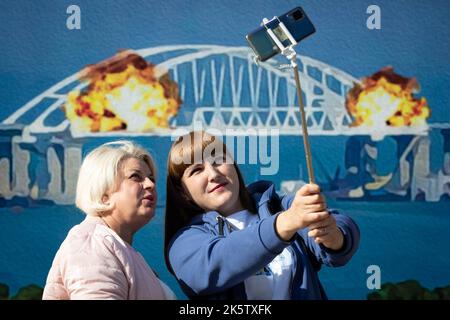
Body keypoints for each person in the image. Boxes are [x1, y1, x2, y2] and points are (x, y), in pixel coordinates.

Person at [164, 131, 360, 300]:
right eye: (197, 170)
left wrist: (334, 235)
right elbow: (208, 268)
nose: (213, 173)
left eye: (218, 160)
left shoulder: (279, 205)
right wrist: (282, 225)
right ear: (183, 192)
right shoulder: (184, 241)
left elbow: (340, 227)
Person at [43, 140, 175, 300]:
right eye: (136, 177)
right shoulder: (92, 245)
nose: (150, 184)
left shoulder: (110, 245)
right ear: (103, 196)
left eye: (151, 178)